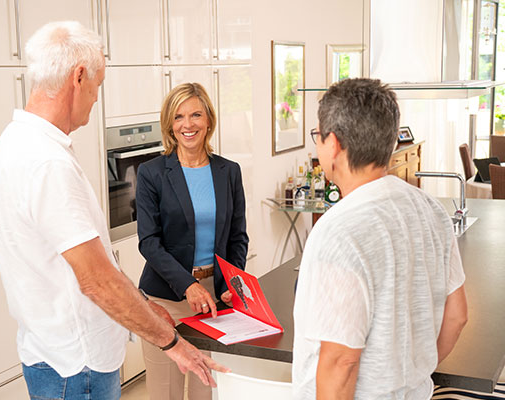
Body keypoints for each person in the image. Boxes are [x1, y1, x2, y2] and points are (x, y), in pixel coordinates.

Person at [0, 21, 227, 400]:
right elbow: (96, 280)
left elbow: (88, 267)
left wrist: (146, 306)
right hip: (76, 367)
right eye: (97, 87)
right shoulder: (47, 162)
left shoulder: (16, 143)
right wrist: (173, 344)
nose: (96, 99)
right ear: (78, 77)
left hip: (50, 353)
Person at [292, 78, 468, 399]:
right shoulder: (430, 208)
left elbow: (342, 360)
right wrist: (411, 375)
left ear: (333, 144)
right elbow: (457, 316)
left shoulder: (338, 230)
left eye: (318, 137)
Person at [135, 82, 249, 399]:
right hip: (166, 302)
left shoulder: (229, 171)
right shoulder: (152, 173)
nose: (188, 124)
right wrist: (188, 285)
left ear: (208, 120)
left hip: (213, 302)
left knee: (206, 392)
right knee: (166, 392)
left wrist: (229, 283)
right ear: (170, 125)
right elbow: (149, 242)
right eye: (179, 117)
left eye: (196, 114)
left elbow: (238, 237)